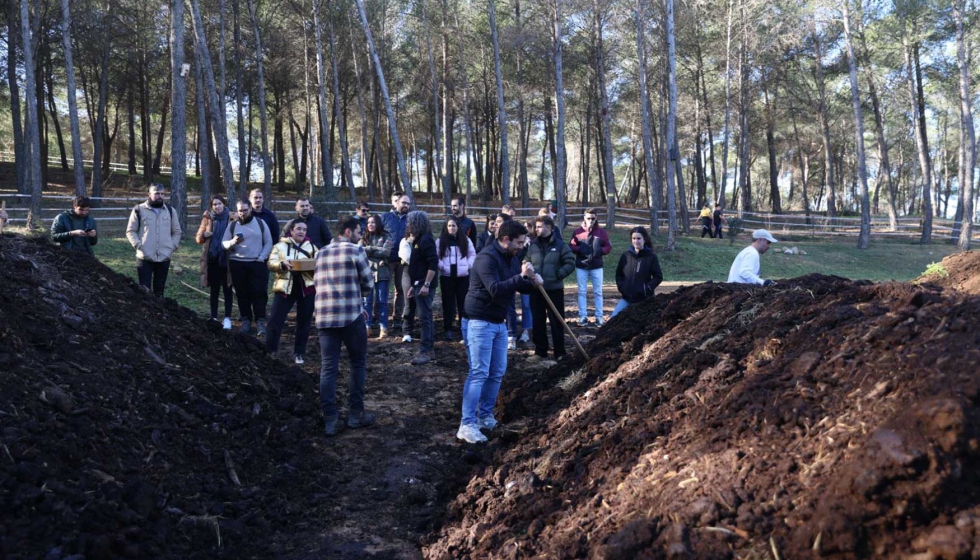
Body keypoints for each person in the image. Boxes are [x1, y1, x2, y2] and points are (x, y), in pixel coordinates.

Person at [457, 220, 541, 444]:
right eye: (519, 242)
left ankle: (485, 417)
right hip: (478, 322)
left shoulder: (511, 258)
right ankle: (467, 424)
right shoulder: (486, 258)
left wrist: (532, 281)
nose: (522, 246)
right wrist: (522, 277)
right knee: (479, 372)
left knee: (497, 372)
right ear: (505, 240)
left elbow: (515, 284)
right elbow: (495, 288)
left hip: (498, 322)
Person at [315, 216, 375, 436]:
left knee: (328, 367)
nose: (361, 237)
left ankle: (330, 418)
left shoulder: (320, 252)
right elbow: (368, 283)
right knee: (357, 363)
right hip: (350, 316)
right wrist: (358, 299)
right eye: (359, 232)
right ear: (348, 232)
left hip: (324, 317)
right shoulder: (356, 251)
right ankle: (355, 414)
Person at [265, 219, 318, 364]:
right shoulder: (280, 246)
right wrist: (282, 264)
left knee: (304, 322)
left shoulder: (312, 247)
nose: (301, 232)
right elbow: (270, 263)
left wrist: (313, 266)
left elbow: (319, 264)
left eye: (304, 229)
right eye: (299, 229)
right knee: (275, 320)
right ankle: (270, 351)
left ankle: (299, 353)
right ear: (292, 231)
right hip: (284, 288)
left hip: (306, 288)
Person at [525, 216, 575, 362]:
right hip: (536, 290)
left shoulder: (560, 245)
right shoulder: (532, 245)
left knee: (557, 321)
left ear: (550, 228)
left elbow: (570, 263)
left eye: (541, 227)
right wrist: (527, 269)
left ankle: (560, 352)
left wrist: (557, 275)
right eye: (537, 227)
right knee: (538, 321)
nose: (538, 229)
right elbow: (527, 260)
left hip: (554, 290)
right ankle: (540, 352)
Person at [222, 200, 274, 334]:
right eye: (240, 211)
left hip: (257, 263)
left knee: (259, 293)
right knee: (242, 293)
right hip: (237, 263)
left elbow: (268, 242)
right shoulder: (232, 225)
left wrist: (261, 258)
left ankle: (260, 321)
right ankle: (246, 320)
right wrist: (233, 242)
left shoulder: (261, 223)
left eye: (245, 210)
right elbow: (224, 244)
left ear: (250, 208)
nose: (242, 213)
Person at [126, 184, 182, 297]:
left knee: (159, 291)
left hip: (164, 257)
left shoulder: (171, 211)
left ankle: (159, 312)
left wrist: (172, 246)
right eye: (156, 193)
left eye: (162, 194)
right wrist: (138, 245)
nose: (159, 196)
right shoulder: (139, 209)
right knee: (144, 290)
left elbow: (177, 232)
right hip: (144, 256)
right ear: (149, 194)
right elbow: (131, 231)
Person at [403, 211, 439, 365]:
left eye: (410, 222)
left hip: (425, 286)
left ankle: (426, 350)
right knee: (424, 317)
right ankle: (426, 348)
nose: (408, 225)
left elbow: (433, 264)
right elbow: (418, 266)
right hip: (418, 285)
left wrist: (426, 284)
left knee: (425, 318)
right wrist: (413, 285)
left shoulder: (426, 240)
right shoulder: (418, 240)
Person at [195, 195, 234, 329]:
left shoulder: (232, 218)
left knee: (228, 288)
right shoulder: (207, 219)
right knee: (214, 289)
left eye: (219, 204)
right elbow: (198, 238)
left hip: (227, 258)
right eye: (214, 204)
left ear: (224, 204)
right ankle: (214, 317)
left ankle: (228, 318)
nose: (217, 206)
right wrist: (203, 236)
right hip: (212, 258)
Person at [569, 208, 611, 327]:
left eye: (593, 218)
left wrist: (600, 251)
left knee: (598, 292)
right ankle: (583, 316)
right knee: (582, 291)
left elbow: (608, 246)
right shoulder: (577, 232)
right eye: (588, 218)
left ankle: (599, 317)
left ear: (596, 218)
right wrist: (580, 249)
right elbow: (571, 246)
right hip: (582, 265)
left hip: (597, 266)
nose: (591, 220)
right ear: (584, 218)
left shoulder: (602, 233)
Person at [436, 217, 476, 342]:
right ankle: (448, 329)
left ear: (458, 227)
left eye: (453, 226)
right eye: (449, 226)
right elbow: (435, 256)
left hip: (462, 277)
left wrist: (468, 266)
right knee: (448, 303)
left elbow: (472, 255)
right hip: (447, 277)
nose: (451, 228)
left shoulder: (465, 240)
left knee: (463, 303)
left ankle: (463, 328)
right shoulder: (440, 241)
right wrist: (442, 266)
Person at [612, 227, 663, 318]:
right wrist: (622, 287)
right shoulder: (625, 256)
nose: (636, 241)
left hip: (644, 300)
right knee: (613, 319)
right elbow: (619, 274)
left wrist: (646, 288)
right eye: (634, 238)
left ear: (644, 239)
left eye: (638, 238)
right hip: (627, 298)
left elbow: (658, 276)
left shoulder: (651, 257)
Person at [360, 214, 394, 338]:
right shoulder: (364, 236)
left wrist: (369, 250)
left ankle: (383, 327)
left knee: (382, 301)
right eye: (368, 222)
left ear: (378, 223)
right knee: (367, 301)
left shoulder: (386, 236)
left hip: (382, 273)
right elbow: (360, 250)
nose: (370, 224)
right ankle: (367, 326)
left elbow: (386, 252)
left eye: (373, 222)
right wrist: (374, 248)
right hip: (366, 273)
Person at [381, 192, 410, 333]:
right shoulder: (385, 217)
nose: (406, 205)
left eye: (408, 203)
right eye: (404, 203)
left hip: (403, 261)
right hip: (386, 259)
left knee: (400, 290)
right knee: (383, 290)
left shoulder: (410, 219)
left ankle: (397, 319)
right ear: (397, 202)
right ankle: (381, 319)